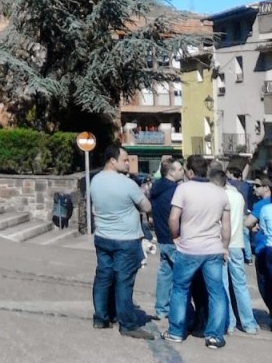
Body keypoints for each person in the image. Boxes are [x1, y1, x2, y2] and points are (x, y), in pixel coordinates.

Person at [162, 154, 230, 349]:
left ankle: (175, 331)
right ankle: (214, 336)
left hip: (189, 248)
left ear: (189, 171)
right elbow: (226, 227)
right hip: (213, 249)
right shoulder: (220, 192)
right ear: (206, 171)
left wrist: (175, 237)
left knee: (180, 289)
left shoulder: (183, 189)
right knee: (216, 292)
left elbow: (174, 219)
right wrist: (224, 247)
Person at [89, 143, 154, 340]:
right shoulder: (127, 184)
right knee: (124, 281)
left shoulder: (95, 180)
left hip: (103, 236)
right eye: (125, 160)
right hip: (126, 239)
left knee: (103, 276)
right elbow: (146, 206)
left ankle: (101, 317)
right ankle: (127, 324)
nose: (128, 163)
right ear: (112, 160)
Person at [209, 166, 258, 334]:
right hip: (237, 243)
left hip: (222, 244)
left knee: (222, 285)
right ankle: (249, 323)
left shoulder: (219, 197)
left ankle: (229, 323)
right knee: (240, 285)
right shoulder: (238, 196)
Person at [150, 157, 185, 320]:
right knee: (181, 278)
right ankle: (180, 312)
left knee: (165, 275)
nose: (182, 171)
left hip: (162, 237)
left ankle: (161, 309)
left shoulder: (156, 189)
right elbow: (177, 216)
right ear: (170, 172)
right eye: (179, 169)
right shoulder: (175, 192)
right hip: (174, 238)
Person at [246, 176, 272, 316]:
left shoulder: (262, 205)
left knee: (265, 284)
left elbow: (248, 222)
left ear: (267, 187)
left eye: (257, 185)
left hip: (264, 248)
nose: (254, 188)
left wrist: (254, 227)